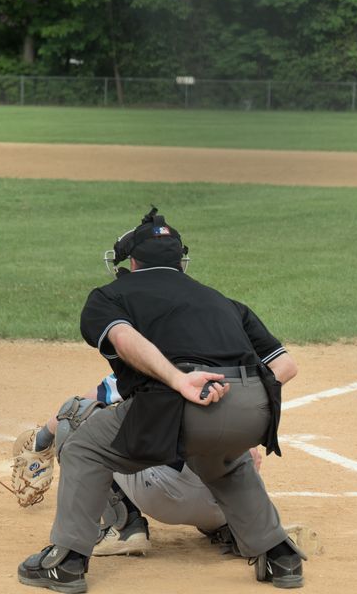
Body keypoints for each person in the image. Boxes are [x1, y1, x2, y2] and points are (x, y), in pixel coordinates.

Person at [16, 206, 306, 592]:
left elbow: (122, 337)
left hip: (178, 408)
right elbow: (285, 365)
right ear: (181, 262)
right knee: (225, 461)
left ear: (131, 261)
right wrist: (235, 393)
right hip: (255, 410)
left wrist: (180, 380)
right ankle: (280, 556)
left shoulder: (110, 295)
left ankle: (67, 561)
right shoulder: (222, 300)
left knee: (86, 444)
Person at [23, 373, 268, 558]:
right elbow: (253, 456)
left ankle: (124, 527)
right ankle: (235, 529)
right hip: (227, 503)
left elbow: (76, 408)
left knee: (76, 418)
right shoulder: (223, 369)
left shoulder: (145, 363)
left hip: (167, 497)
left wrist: (41, 440)